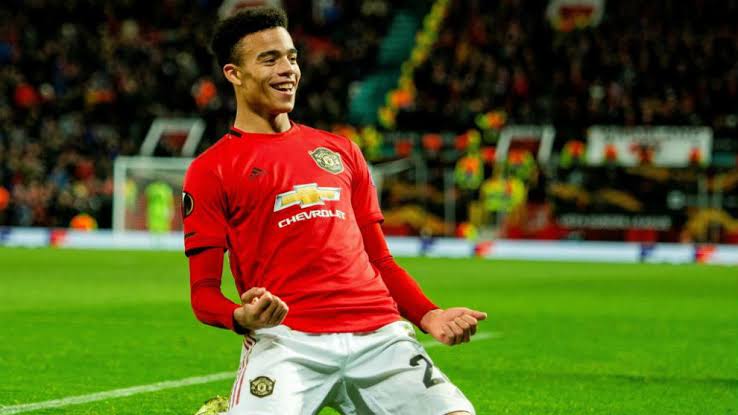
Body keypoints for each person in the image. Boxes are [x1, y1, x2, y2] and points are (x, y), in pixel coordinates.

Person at [183, 7, 487, 415]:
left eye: (291, 57)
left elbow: (380, 260)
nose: (287, 69)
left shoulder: (341, 151)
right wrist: (241, 316)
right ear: (234, 74)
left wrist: (429, 315)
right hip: (287, 340)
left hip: (381, 337)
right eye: (269, 59)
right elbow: (203, 295)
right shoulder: (211, 170)